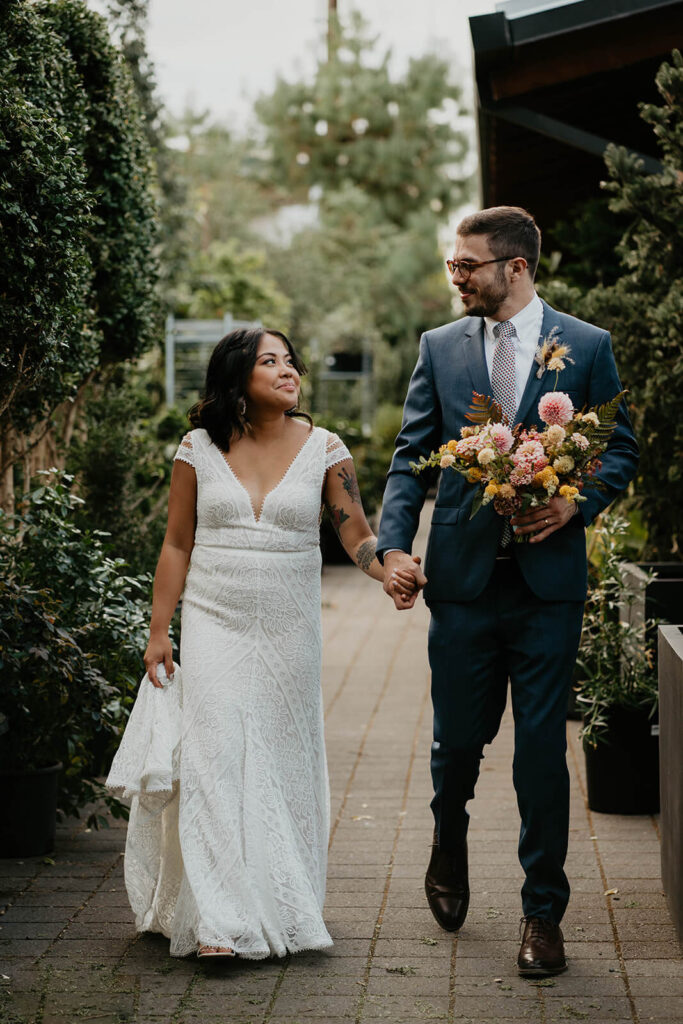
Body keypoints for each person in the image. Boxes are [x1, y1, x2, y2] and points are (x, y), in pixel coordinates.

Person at [376, 206, 638, 976]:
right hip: (460, 583)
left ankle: (542, 915)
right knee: (457, 745)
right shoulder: (439, 347)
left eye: (468, 265)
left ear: (514, 268)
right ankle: (447, 834)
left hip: (546, 588)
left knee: (539, 757)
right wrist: (394, 543)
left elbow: (617, 448)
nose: (455, 276)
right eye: (453, 264)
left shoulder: (585, 347)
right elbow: (408, 454)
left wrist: (576, 501)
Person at [107, 327, 422, 960]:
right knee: (213, 759)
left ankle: (281, 901)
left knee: (280, 761)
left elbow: (354, 532)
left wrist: (387, 569)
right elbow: (175, 544)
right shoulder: (196, 448)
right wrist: (158, 630)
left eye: (289, 362)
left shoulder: (327, 449)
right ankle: (220, 923)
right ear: (236, 379)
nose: (287, 372)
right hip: (212, 619)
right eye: (268, 362)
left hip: (288, 631)